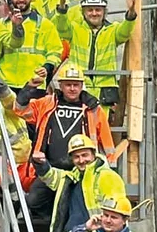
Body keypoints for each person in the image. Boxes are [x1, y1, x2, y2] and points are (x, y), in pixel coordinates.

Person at [20, 63, 118, 223]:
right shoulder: (46, 103)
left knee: (78, 206)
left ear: (82, 85)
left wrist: (111, 169)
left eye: (76, 85)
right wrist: (29, 88)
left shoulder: (93, 108)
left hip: (81, 169)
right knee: (34, 200)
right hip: (50, 168)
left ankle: (65, 224)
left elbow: (107, 141)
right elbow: (20, 109)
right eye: (68, 84)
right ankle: (54, 222)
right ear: (61, 85)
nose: (72, 88)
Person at [56, 0, 138, 122]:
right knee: (77, 125)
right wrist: (62, 10)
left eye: (98, 9)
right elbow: (62, 28)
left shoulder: (113, 30)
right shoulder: (75, 28)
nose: (94, 13)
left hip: (104, 89)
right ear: (83, 12)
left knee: (100, 127)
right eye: (90, 10)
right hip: (80, 85)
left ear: (104, 12)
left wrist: (131, 13)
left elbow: (125, 32)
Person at [0, 0, 63, 93]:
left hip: (35, 84)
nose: (21, 0)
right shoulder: (0, 25)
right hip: (7, 84)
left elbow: (55, 51)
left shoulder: (45, 25)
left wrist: (47, 67)